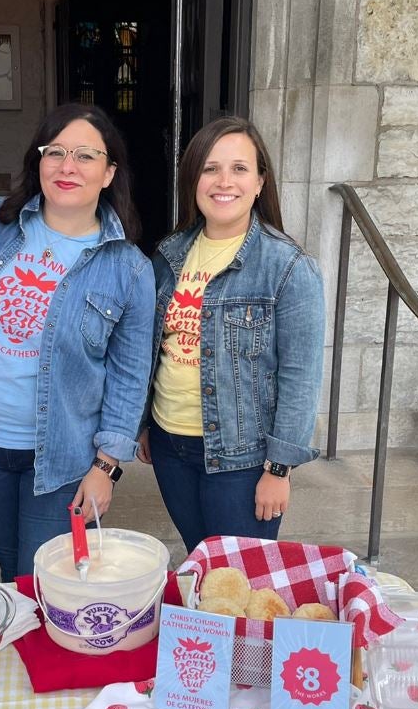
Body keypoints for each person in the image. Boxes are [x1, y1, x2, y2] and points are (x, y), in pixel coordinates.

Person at [0, 104, 154, 582]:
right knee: (11, 570)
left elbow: (128, 378)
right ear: (37, 161)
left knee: (42, 581)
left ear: (109, 173)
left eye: (85, 156)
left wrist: (107, 467)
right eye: (55, 151)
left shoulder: (129, 269)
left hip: (61, 460)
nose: (67, 166)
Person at [138, 116, 326, 552]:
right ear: (193, 180)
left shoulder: (289, 267)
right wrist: (145, 422)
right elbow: (154, 351)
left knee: (238, 585)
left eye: (240, 168)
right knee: (201, 564)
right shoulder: (169, 255)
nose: (225, 181)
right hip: (170, 446)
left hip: (242, 459)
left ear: (260, 181)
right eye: (210, 168)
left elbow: (300, 378)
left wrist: (280, 468)